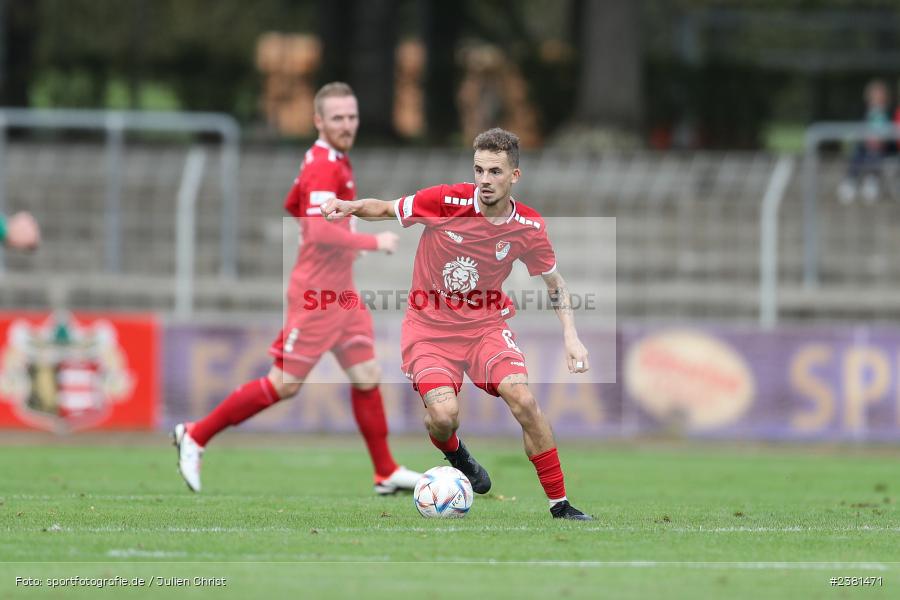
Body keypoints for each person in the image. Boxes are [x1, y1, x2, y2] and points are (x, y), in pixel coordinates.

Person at [322, 128, 593, 520]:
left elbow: (555, 284)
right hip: (429, 331)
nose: (485, 180)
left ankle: (560, 505)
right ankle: (456, 454)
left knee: (525, 400)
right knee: (444, 417)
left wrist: (572, 336)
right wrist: (349, 206)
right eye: (479, 170)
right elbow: (384, 208)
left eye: (495, 171)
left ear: (514, 175)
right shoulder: (445, 200)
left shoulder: (529, 228)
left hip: (486, 328)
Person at [173, 82, 421, 494]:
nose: (347, 124)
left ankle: (385, 471)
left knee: (367, 374)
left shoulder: (329, 159)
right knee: (283, 384)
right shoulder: (325, 164)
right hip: (318, 296)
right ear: (318, 121)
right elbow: (317, 229)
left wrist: (340, 240)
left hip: (342, 293)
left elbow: (294, 204)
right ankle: (195, 435)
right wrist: (370, 242)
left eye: (352, 116)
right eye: (338, 117)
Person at [838, 79, 892, 204]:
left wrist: (880, 140)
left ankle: (871, 181)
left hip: (883, 147)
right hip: (865, 145)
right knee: (857, 153)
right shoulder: (863, 112)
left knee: (874, 154)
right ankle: (850, 181)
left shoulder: (889, 112)